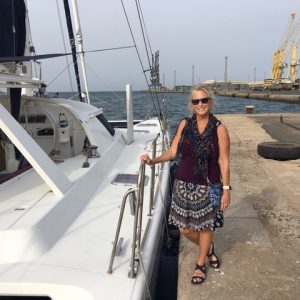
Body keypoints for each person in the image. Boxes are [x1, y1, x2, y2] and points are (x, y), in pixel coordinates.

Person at [140, 85, 231, 285]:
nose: (200, 105)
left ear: (210, 102)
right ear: (191, 104)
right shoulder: (184, 124)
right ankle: (209, 249)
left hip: (210, 186)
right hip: (183, 184)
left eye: (204, 100)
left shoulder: (219, 128)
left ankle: (200, 264)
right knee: (184, 229)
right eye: (196, 101)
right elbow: (173, 152)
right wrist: (153, 161)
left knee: (206, 227)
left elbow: (224, 161)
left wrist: (226, 189)